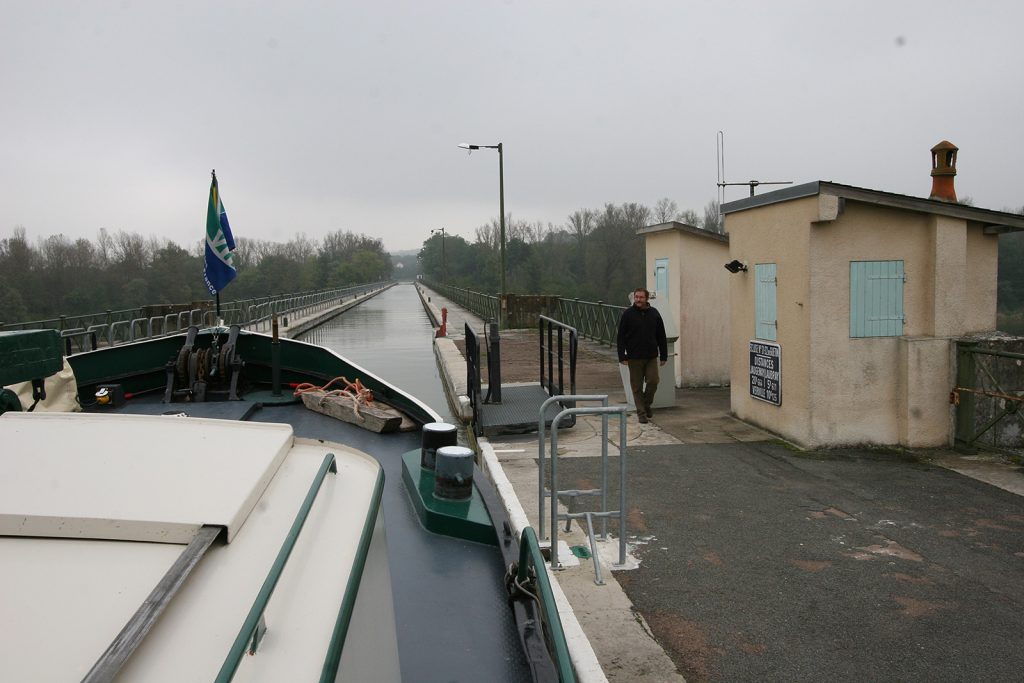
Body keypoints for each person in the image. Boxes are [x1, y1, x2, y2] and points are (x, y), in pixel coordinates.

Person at [617, 287, 667, 424]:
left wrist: (664, 355)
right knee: (637, 386)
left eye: (641, 297)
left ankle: (646, 404)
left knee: (653, 381)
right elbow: (620, 337)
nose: (638, 300)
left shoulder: (654, 313)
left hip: (651, 355)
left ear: (646, 299)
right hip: (634, 357)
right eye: (636, 297)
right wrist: (622, 356)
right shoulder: (627, 314)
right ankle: (642, 413)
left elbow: (661, 335)